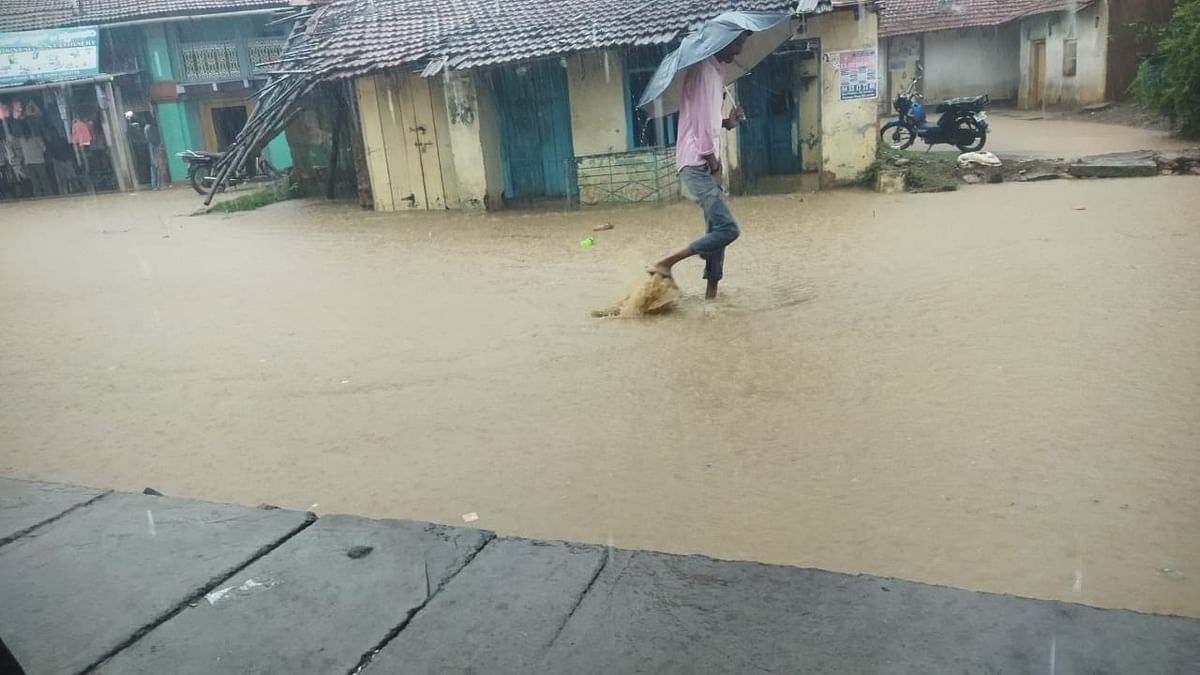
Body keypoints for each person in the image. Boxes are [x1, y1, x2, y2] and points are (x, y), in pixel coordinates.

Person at [649, 30, 750, 300]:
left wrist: (729, 122)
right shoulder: (705, 73)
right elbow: (704, 130)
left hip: (702, 161)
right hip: (698, 162)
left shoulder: (714, 74)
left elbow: (705, 120)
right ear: (723, 41)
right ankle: (665, 263)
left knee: (718, 231)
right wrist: (714, 162)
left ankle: (711, 297)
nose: (739, 50)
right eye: (738, 44)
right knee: (728, 229)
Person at [17, 123, 49, 197]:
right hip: (29, 163)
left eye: (26, 130)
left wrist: (37, 153)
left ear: (29, 131)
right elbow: (21, 151)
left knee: (43, 179)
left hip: (39, 161)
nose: (25, 132)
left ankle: (48, 195)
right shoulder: (21, 140)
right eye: (24, 131)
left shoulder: (37, 138)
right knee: (34, 181)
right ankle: (38, 196)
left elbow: (44, 149)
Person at [143, 118, 163, 190]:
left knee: (156, 167)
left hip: (155, 147)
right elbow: (149, 138)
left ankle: (156, 185)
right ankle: (155, 185)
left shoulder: (148, 127)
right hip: (154, 147)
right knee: (155, 167)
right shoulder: (148, 127)